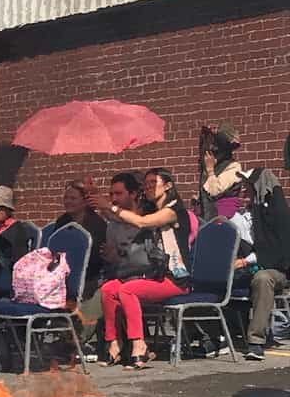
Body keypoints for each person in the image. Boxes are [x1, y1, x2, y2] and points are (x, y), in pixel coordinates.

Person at [99, 168, 192, 369]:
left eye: (153, 182)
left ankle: (139, 344)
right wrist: (97, 201)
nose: (149, 187)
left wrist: (110, 207)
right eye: (146, 183)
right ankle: (114, 344)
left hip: (175, 279)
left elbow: (141, 222)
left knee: (127, 290)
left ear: (168, 186)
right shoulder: (152, 210)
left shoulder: (174, 211)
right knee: (109, 289)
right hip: (154, 276)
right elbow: (128, 217)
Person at [234, 167, 290, 361]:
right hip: (248, 268)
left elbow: (273, 251)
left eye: (247, 187)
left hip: (277, 270)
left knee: (263, 278)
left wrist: (244, 261)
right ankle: (215, 336)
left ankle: (256, 341)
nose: (243, 191)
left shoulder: (277, 215)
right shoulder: (243, 216)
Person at [54, 181, 107, 290]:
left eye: (73, 198)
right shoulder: (62, 221)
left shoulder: (97, 224)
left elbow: (95, 257)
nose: (68, 201)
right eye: (66, 198)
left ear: (85, 201)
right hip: (62, 274)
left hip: (88, 277)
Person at [198, 123, 243, 220]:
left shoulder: (234, 167)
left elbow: (214, 192)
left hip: (223, 219)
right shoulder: (211, 166)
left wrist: (210, 170)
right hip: (207, 217)